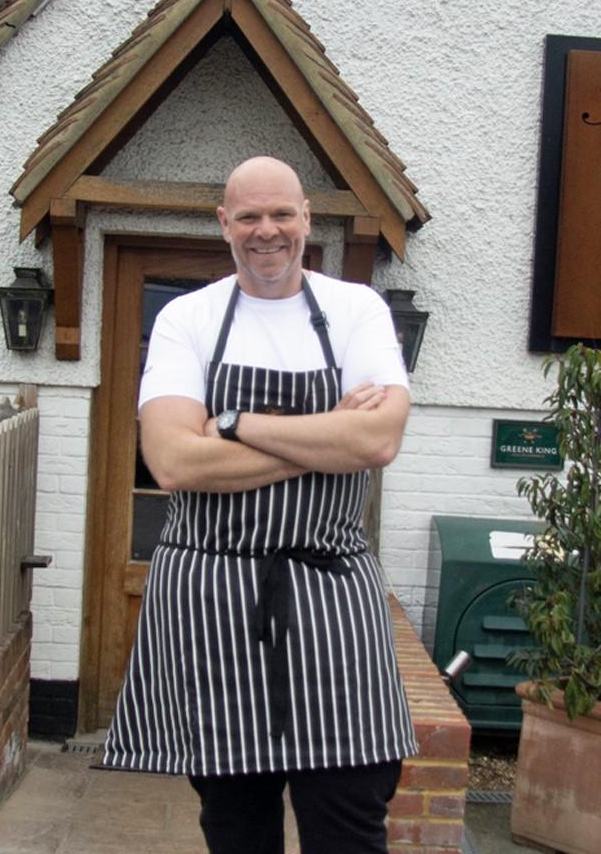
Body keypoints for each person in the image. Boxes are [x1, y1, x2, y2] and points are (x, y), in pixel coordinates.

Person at [101, 157, 418, 854]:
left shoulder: (355, 310)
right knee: (237, 827)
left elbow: (378, 439)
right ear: (224, 225)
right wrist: (326, 434)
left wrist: (237, 424)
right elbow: (174, 461)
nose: (266, 231)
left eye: (281, 214)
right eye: (248, 216)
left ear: (307, 217)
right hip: (213, 599)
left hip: (333, 591)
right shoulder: (189, 317)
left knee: (351, 815)